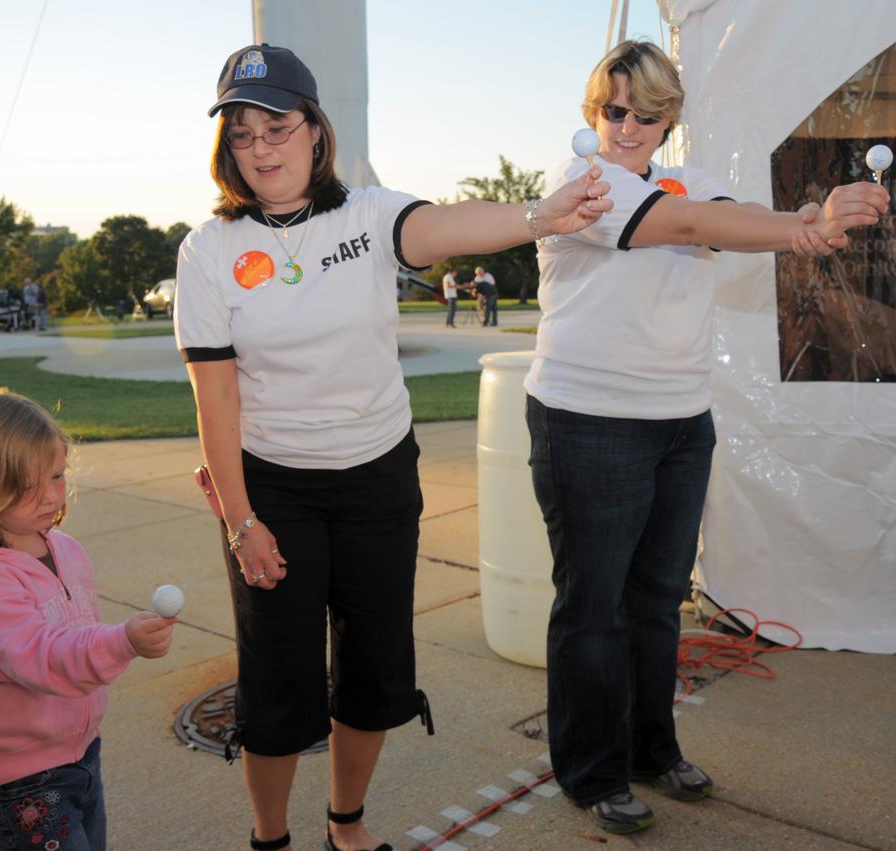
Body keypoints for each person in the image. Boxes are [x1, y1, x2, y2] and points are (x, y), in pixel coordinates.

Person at [174, 44, 611, 851]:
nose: (262, 147)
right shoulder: (210, 251)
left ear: (314, 130)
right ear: (227, 147)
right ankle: (270, 838)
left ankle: (347, 824)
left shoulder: (368, 215)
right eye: (243, 132)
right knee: (278, 681)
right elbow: (217, 398)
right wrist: (242, 521)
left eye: (278, 125)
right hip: (276, 488)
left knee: (375, 674)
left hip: (378, 478)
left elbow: (442, 226)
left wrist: (538, 216)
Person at [524, 40, 889, 835]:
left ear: (668, 120)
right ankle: (592, 770)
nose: (627, 126)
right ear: (594, 113)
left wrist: (808, 224)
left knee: (656, 601)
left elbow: (732, 218)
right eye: (614, 110)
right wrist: (806, 229)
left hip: (681, 420)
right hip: (588, 421)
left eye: (647, 114)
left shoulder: (685, 179)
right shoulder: (584, 185)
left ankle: (652, 749)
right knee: (595, 607)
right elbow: (685, 223)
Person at [0, 388, 177, 851]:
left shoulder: (64, 549)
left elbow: (71, 633)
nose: (53, 495)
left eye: (56, 475)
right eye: (29, 486)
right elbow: (44, 657)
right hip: (19, 780)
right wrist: (123, 641)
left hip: (81, 754)